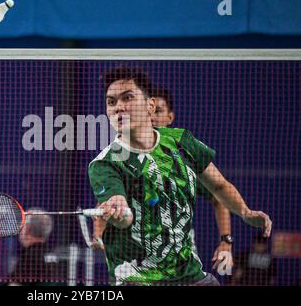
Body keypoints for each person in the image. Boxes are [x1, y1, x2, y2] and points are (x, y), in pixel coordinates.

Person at [87, 66, 272, 286]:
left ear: (150, 105)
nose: (119, 107)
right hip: (138, 278)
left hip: (188, 274)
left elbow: (219, 187)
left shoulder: (181, 142)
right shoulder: (105, 163)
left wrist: (245, 212)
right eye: (111, 102)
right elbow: (120, 209)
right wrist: (118, 210)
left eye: (127, 98)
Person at [9, 208, 57, 285]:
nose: (20, 230)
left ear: (27, 229)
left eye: (23, 226)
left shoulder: (29, 257)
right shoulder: (51, 253)